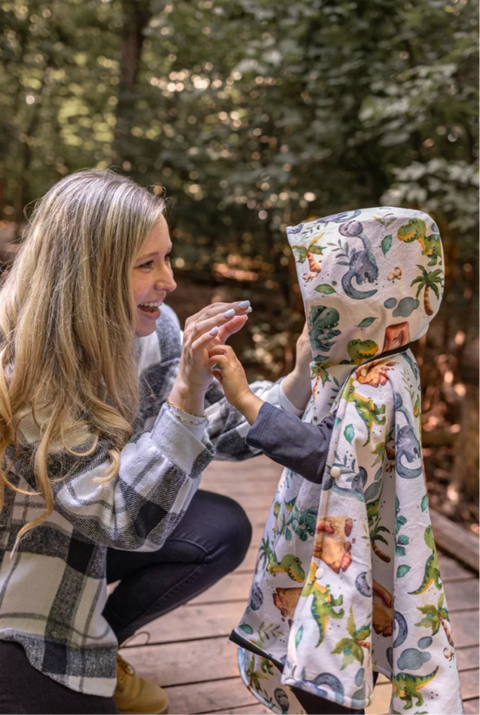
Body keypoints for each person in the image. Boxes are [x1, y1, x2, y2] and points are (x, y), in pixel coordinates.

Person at [0, 170, 312, 715]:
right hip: (22, 569)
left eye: (166, 257)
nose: (168, 280)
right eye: (146, 264)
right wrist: (185, 393)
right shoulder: (21, 365)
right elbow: (124, 520)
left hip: (86, 529)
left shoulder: (156, 328)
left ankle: (106, 646)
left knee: (220, 527)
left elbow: (213, 434)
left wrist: (301, 376)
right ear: (84, 276)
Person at [208, 207, 464, 715]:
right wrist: (304, 367)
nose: (314, 317)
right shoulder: (364, 358)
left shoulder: (379, 379)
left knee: (329, 664)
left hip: (346, 553)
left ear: (372, 302)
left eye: (326, 303)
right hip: (326, 546)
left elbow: (331, 458)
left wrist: (246, 399)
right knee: (324, 655)